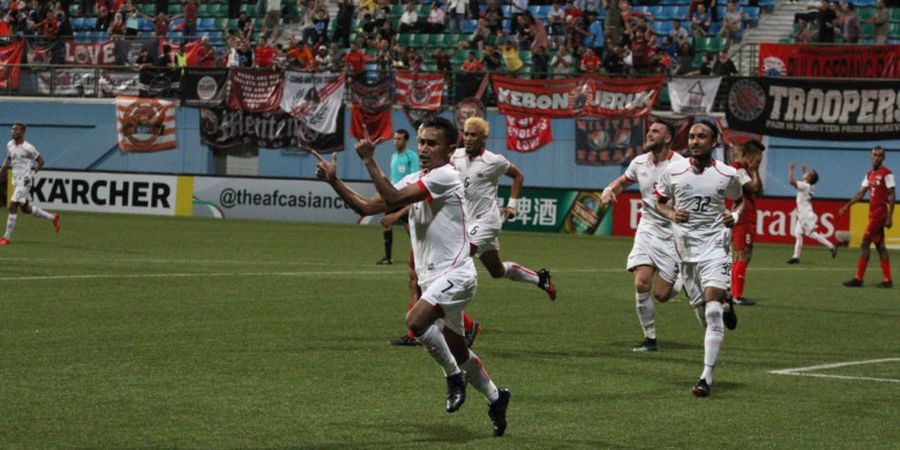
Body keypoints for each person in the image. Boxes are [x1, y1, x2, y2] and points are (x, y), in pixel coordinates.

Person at [312, 118, 511, 437]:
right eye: (421, 142)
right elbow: (365, 207)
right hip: (436, 281)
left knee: (416, 321)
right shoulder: (418, 178)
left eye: (431, 143)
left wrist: (368, 160)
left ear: (450, 148)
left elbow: (391, 199)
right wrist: (334, 182)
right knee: (460, 351)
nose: (423, 149)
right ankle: (496, 397)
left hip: (458, 275)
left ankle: (452, 377)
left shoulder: (446, 175)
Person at [655, 121, 740, 398]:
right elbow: (660, 201)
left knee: (712, 309)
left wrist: (734, 216)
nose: (695, 141)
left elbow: (739, 201)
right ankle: (725, 310)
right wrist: (670, 214)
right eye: (692, 136)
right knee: (704, 315)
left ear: (714, 142)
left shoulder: (727, 174)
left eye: (702, 136)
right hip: (686, 252)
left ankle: (706, 377)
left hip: (716, 247)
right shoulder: (673, 171)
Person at [600, 121, 685, 352]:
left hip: (673, 234)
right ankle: (650, 339)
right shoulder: (639, 162)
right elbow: (623, 182)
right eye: (649, 130)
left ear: (667, 139)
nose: (649, 133)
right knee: (641, 282)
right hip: (647, 229)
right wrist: (609, 190)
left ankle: (681, 280)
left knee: (662, 295)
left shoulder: (681, 165)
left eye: (656, 131)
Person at [452, 117, 557, 301]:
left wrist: (512, 205)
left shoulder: (494, 161)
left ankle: (453, 315)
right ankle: (539, 278)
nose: (468, 138)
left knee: (459, 256)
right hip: (468, 221)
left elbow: (518, 176)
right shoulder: (456, 156)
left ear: (483, 138)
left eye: (473, 135)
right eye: (466, 134)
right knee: (497, 271)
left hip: (487, 221)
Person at [839, 146, 894, 288]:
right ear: (870, 156)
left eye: (880, 155)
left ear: (883, 158)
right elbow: (861, 193)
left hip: (880, 214)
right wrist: (847, 205)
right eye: (874, 154)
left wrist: (890, 217)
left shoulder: (887, 174)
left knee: (864, 243)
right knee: (880, 246)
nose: (876, 157)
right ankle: (887, 280)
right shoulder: (869, 174)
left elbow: (892, 195)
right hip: (872, 214)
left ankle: (858, 278)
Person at [0, 123, 60, 246]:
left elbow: (41, 161)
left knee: (12, 205)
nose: (13, 131)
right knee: (26, 209)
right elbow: (9, 158)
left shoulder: (28, 148)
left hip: (25, 181)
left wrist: (31, 175)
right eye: (12, 129)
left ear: (22, 132)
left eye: (16, 129)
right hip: (16, 180)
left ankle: (6, 237)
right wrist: (3, 168)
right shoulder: (10, 144)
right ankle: (53, 217)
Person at [729, 139, 763, 306]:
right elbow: (753, 188)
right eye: (757, 159)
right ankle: (736, 295)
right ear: (749, 156)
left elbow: (760, 190)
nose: (758, 162)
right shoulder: (738, 170)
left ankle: (733, 292)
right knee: (744, 254)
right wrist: (755, 173)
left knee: (742, 253)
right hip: (743, 216)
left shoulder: (746, 170)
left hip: (747, 216)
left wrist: (755, 172)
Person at [377, 129, 419, 266]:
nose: (396, 141)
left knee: (409, 227)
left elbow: (415, 176)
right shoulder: (394, 157)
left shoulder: (411, 157)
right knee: (387, 224)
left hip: (405, 196)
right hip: (393, 196)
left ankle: (420, 254)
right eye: (395, 139)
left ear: (406, 141)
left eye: (399, 139)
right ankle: (387, 258)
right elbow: (393, 177)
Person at [786, 161, 838, 264]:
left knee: (811, 234)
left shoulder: (805, 186)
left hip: (805, 215)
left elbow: (791, 181)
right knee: (798, 234)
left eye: (809, 173)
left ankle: (831, 246)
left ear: (809, 178)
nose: (807, 172)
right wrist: (805, 171)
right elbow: (809, 180)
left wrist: (791, 169)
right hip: (804, 214)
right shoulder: (810, 186)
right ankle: (796, 257)